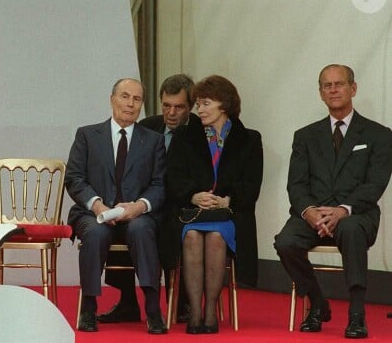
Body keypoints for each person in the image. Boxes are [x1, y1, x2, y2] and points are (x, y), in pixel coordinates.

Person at [274, 64, 392, 339]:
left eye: (339, 84)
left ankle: (356, 315)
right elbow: (296, 184)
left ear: (353, 88)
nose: (334, 89)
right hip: (313, 214)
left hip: (356, 213)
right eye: (327, 85)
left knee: (350, 230)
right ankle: (317, 302)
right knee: (285, 242)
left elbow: (375, 184)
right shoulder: (305, 135)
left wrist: (342, 211)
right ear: (320, 93)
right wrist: (311, 213)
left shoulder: (379, 134)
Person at [65, 78, 167, 334]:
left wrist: (140, 206)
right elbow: (74, 178)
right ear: (112, 100)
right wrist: (97, 205)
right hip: (94, 212)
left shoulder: (153, 140)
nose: (130, 104)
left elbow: (159, 184)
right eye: (125, 96)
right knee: (97, 232)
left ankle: (153, 309)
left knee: (141, 229)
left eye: (137, 99)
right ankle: (88, 308)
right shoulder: (87, 135)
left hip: (136, 215)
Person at [164, 75, 263, 334]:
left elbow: (252, 185)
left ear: (225, 105)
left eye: (206, 103)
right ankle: (195, 312)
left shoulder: (250, 139)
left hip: (229, 213)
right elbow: (172, 178)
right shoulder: (184, 136)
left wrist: (229, 198)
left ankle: (211, 313)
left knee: (217, 237)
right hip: (191, 214)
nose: (200, 109)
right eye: (198, 104)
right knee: (194, 237)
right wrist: (193, 195)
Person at [97, 74, 199, 324]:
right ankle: (128, 301)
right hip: (145, 203)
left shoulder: (198, 132)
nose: (171, 113)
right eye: (166, 105)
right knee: (123, 220)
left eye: (179, 107)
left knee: (170, 228)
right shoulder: (149, 126)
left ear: (191, 106)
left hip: (179, 205)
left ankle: (183, 301)